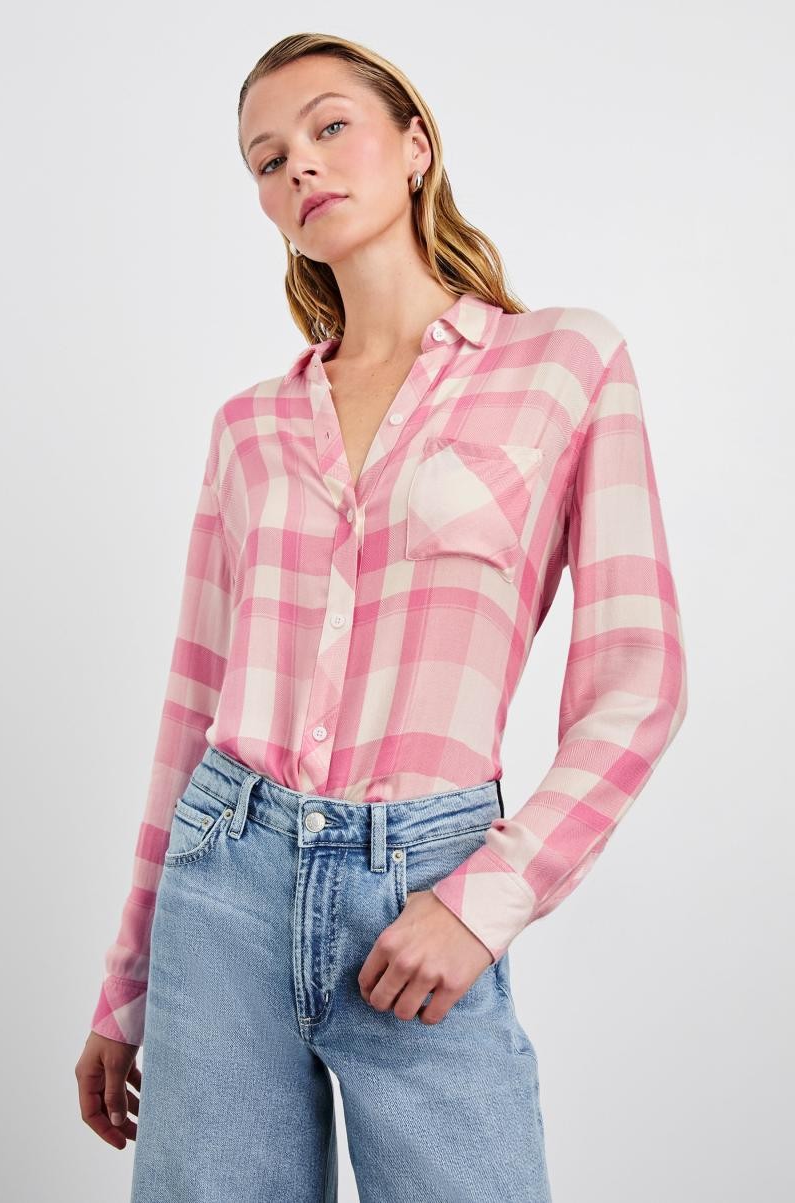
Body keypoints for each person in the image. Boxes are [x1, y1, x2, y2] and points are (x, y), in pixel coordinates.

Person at [75, 31, 688, 1202]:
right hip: (223, 882)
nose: (297, 165)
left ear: (414, 146)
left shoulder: (562, 362)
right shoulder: (249, 428)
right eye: (267, 159)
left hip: (425, 891)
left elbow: (637, 676)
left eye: (328, 126)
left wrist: (485, 901)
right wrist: (127, 987)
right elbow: (191, 712)